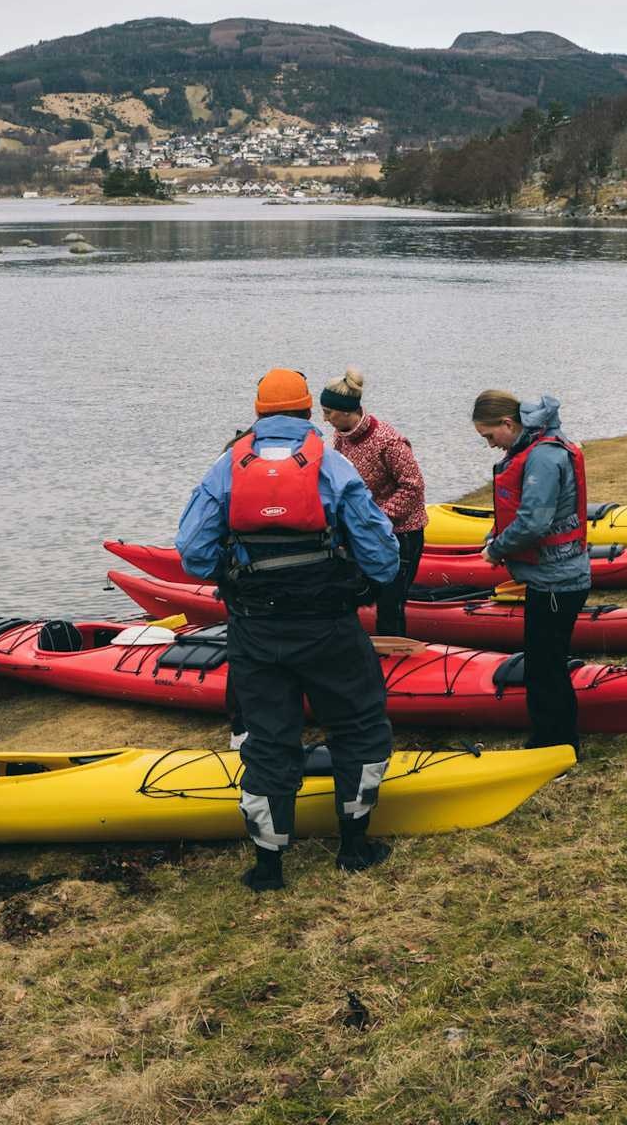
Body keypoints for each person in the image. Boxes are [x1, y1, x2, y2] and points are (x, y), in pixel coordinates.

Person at [177, 368, 401, 891]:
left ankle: (268, 867)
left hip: (257, 632)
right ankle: (354, 847)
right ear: (307, 413)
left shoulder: (225, 469)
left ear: (257, 414)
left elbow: (192, 554)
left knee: (267, 741)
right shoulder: (336, 466)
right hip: (329, 628)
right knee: (358, 727)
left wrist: (239, 578)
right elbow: (383, 560)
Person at [472, 390, 593, 754]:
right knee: (544, 663)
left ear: (508, 424)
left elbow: (535, 522)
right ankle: (554, 739)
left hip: (558, 581)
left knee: (545, 667)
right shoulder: (538, 448)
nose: (491, 445)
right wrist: (496, 535)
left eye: (490, 437)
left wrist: (496, 550)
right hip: (552, 578)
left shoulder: (542, 457)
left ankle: (556, 744)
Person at [320, 366, 427, 635]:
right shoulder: (342, 436)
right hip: (366, 531)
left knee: (391, 603)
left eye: (328, 412)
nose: (325, 419)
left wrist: (376, 518)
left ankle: (394, 660)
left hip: (402, 534)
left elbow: (413, 486)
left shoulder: (387, 441)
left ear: (346, 411)